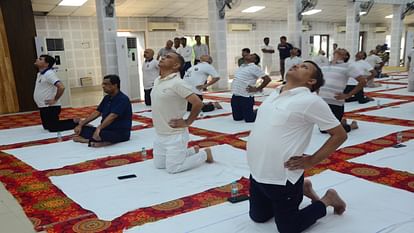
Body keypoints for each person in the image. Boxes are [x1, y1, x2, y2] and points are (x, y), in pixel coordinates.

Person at [247, 60, 348, 233]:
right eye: (298, 64)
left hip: (282, 177)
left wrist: (312, 161)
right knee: (258, 217)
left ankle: (328, 199)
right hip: (257, 173)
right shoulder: (275, 93)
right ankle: (302, 189)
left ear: (311, 81)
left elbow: (340, 134)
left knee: (289, 228)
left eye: (305, 67)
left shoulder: (310, 101)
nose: (297, 66)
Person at [151, 52, 213, 174]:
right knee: (159, 165)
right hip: (160, 133)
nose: (162, 57)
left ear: (176, 65)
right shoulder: (158, 80)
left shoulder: (178, 83)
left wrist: (187, 121)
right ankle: (191, 151)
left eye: (168, 57)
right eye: (163, 56)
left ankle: (204, 154)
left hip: (175, 135)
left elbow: (198, 103)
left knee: (173, 168)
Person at [73, 75, 132, 147]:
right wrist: (81, 124)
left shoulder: (122, 99)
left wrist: (99, 128)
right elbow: (97, 112)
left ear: (115, 85)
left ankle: (88, 140)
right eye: (103, 84)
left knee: (100, 134)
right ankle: (100, 141)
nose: (103, 86)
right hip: (106, 129)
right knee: (81, 129)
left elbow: (112, 116)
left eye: (106, 84)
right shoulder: (107, 97)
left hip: (119, 132)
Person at [319, 48, 367, 133]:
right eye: (339, 49)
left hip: (335, 101)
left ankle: (351, 126)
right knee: (323, 129)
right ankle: (341, 122)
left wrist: (348, 95)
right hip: (321, 101)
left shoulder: (347, 66)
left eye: (343, 50)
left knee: (330, 130)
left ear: (346, 56)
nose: (340, 49)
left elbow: (363, 81)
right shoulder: (324, 65)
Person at [33, 54, 78, 132]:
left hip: (51, 107)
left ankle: (79, 124)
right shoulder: (40, 74)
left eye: (40, 59)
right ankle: (74, 121)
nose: (37, 59)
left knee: (53, 128)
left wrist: (55, 99)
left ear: (46, 64)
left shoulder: (49, 74)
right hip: (43, 106)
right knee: (47, 126)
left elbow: (61, 87)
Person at [231, 53, 271, 122]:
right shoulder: (242, 66)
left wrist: (257, 88)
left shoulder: (254, 67)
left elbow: (267, 79)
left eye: (251, 55)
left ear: (254, 60)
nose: (249, 55)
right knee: (237, 118)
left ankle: (260, 112)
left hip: (246, 96)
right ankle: (248, 112)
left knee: (249, 119)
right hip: (236, 96)